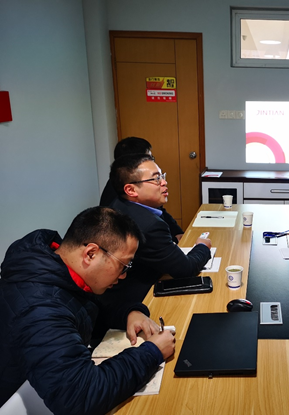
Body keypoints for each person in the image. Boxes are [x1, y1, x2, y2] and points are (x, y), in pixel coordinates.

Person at [0, 207, 176, 415]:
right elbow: (80, 397)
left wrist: (129, 313)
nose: (123, 276)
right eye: (124, 266)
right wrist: (152, 352)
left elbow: (87, 310)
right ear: (91, 254)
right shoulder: (39, 309)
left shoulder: (57, 265)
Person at [106, 153, 211, 304]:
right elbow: (186, 269)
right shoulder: (148, 226)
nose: (164, 182)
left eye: (162, 176)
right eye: (156, 179)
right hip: (138, 299)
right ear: (131, 190)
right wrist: (202, 246)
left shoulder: (121, 204)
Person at [100, 136, 184, 242]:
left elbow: (161, 211)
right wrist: (174, 240)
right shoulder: (116, 200)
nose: (164, 182)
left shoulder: (143, 191)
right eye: (148, 158)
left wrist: (178, 233)